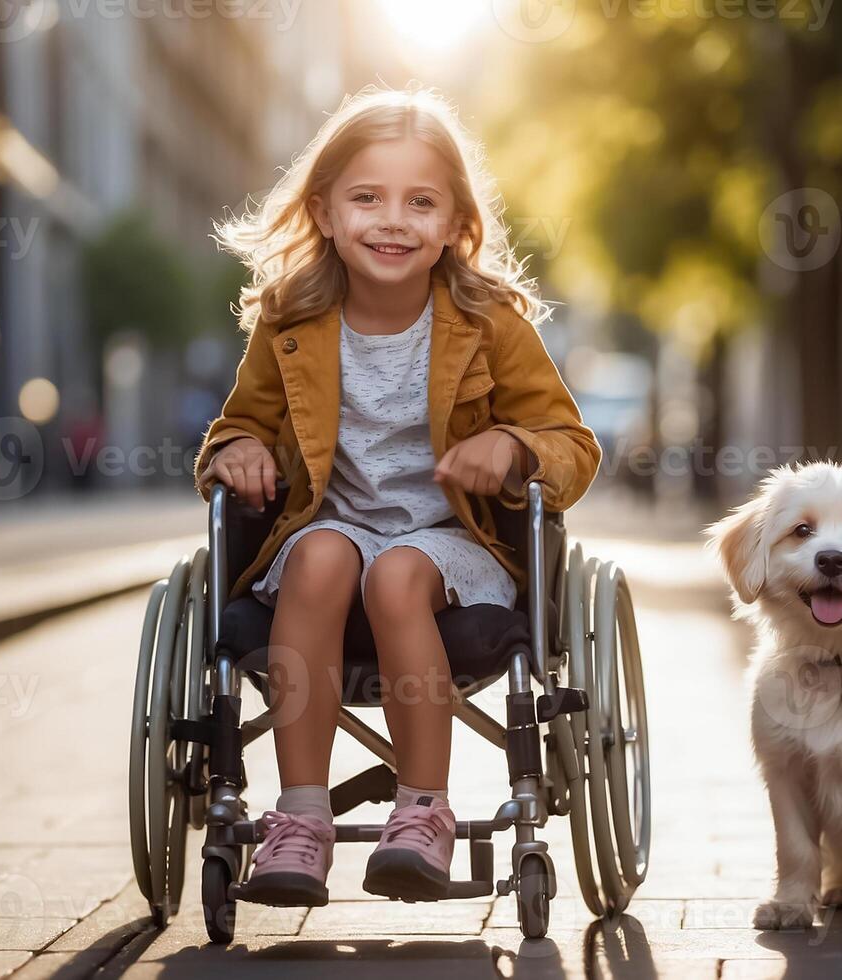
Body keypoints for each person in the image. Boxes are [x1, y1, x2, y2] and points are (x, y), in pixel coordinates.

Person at [195, 87, 601, 906]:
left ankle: (423, 812)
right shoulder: (290, 323)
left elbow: (571, 445)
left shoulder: (488, 324)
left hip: (456, 542)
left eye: (421, 202)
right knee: (314, 557)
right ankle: (301, 818)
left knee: (398, 574)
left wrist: (512, 445)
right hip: (331, 526)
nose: (393, 220)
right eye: (367, 198)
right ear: (323, 211)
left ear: (455, 224)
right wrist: (235, 451)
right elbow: (239, 425)